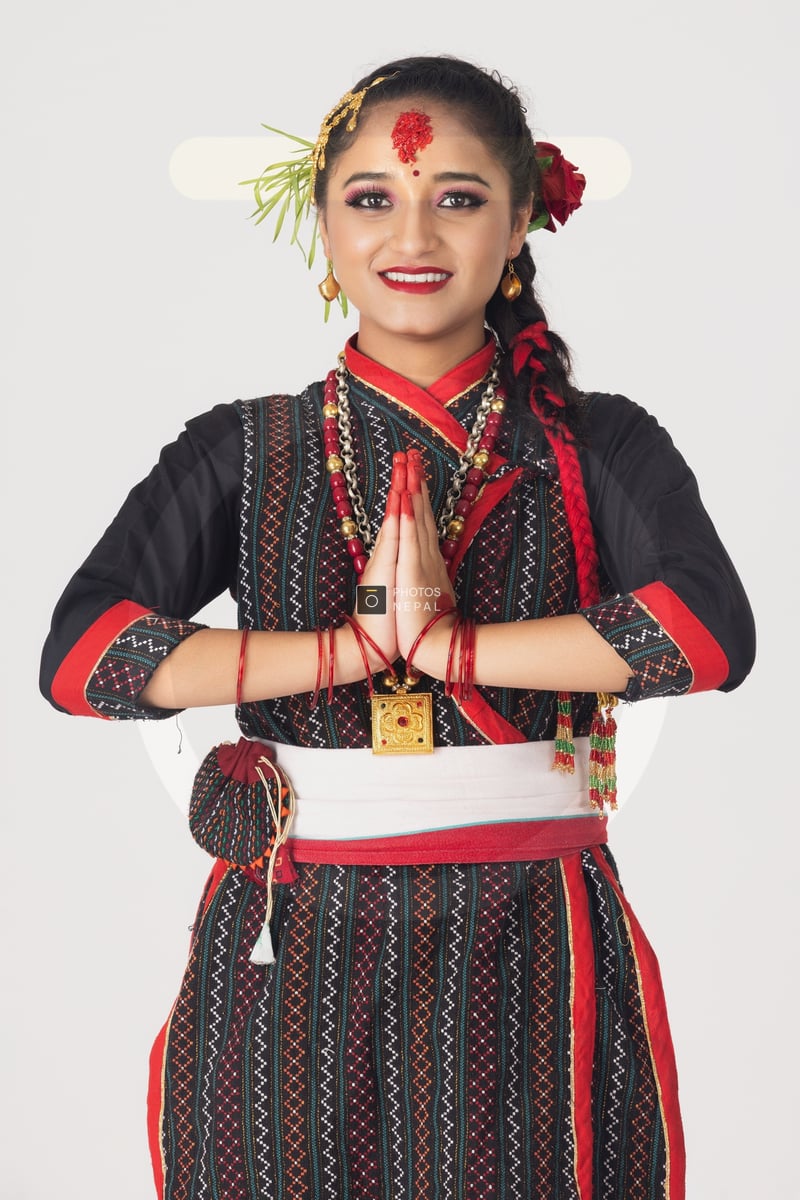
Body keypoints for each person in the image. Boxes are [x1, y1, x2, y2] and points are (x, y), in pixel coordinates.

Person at [40, 54, 755, 1200]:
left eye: (457, 198)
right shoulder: (246, 446)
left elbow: (705, 635)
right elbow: (82, 657)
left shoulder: (594, 441)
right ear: (323, 227)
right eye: (370, 198)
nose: (410, 234)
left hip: (529, 922)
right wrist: (351, 652)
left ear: (518, 220)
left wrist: (451, 651)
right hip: (294, 931)